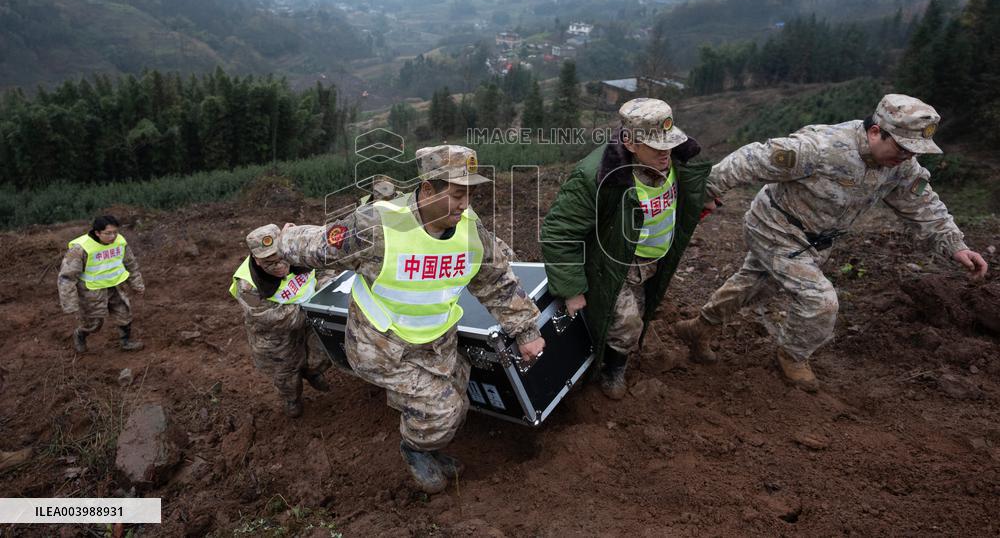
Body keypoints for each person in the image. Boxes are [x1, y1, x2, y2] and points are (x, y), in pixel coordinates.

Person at [276, 145, 545, 494]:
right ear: (428, 189)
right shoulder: (378, 225)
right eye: (457, 194)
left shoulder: (470, 230)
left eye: (470, 194)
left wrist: (526, 331)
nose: (465, 205)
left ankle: (428, 438)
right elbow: (319, 246)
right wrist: (282, 239)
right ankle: (415, 448)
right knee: (442, 409)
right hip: (381, 346)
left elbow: (496, 281)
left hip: (436, 342)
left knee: (458, 397)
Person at [675, 94, 989, 392]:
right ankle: (792, 357)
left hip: (816, 241)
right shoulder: (823, 147)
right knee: (820, 301)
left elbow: (923, 204)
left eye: (914, 151)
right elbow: (750, 159)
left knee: (756, 283)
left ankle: (699, 328)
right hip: (774, 227)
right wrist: (705, 193)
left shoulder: (901, 166)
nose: (908, 156)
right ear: (876, 132)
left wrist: (956, 245)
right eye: (903, 147)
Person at [541, 98, 712, 399]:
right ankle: (610, 370)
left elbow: (691, 187)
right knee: (626, 323)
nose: (666, 153)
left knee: (639, 314)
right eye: (656, 147)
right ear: (631, 143)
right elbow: (559, 231)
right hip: (614, 263)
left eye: (669, 144)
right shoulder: (598, 176)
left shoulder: (679, 158)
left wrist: (704, 199)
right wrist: (571, 289)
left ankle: (616, 352)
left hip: (654, 260)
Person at [229, 225, 332, 418]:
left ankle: (313, 373)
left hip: (309, 320)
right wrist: (317, 307)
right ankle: (292, 399)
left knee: (320, 355)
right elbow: (275, 318)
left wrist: (324, 289)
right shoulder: (247, 284)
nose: (279, 266)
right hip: (276, 337)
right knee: (286, 374)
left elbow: (325, 271)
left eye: (281, 257)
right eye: (269, 263)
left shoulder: (300, 250)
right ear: (257, 260)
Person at [58, 214, 145, 353]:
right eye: (108, 233)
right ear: (97, 232)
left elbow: (131, 264)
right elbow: (67, 277)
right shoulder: (80, 249)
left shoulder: (120, 242)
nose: (113, 236)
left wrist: (137, 284)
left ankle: (126, 342)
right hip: (91, 291)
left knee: (124, 314)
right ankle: (80, 334)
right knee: (94, 323)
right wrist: (70, 303)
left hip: (115, 287)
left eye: (115, 232)